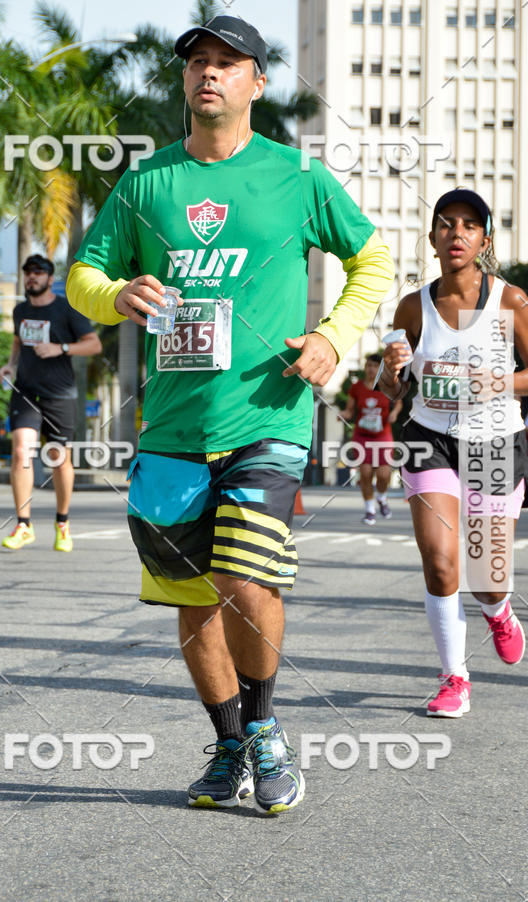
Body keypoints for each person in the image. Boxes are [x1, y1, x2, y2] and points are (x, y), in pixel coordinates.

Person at [67, 14, 394, 813]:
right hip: (173, 428)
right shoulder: (147, 184)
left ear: (256, 82)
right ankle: (227, 743)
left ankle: (267, 729)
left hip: (267, 415)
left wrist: (333, 336)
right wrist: (114, 294)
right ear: (185, 82)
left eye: (227, 63)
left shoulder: (297, 177)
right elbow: (84, 276)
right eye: (197, 63)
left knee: (243, 578)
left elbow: (371, 257)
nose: (208, 74)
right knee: (189, 596)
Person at [380, 188, 527, 717]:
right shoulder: (413, 305)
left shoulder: (510, 301)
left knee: (487, 578)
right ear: (433, 238)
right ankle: (453, 678)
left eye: (469, 225)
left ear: (484, 239)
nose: (457, 233)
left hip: (493, 440)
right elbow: (392, 389)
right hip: (430, 436)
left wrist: (500, 383)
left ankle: (500, 611)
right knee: (441, 564)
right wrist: (392, 367)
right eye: (446, 224)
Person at [0, 254, 102, 552]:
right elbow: (18, 342)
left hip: (60, 393)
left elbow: (93, 344)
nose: (32, 277)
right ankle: (23, 524)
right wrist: (10, 365)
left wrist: (61, 348)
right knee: (21, 452)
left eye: (38, 272)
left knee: (58, 458)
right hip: (26, 392)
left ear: (49, 278)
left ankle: (62, 522)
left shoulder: (66, 309)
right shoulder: (20, 311)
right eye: (27, 272)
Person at [343, 353, 402, 524]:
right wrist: (343, 414)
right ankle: (370, 510)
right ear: (365, 367)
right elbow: (349, 410)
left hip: (383, 436)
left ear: (380, 369)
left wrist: (394, 413)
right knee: (366, 473)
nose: (371, 369)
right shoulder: (356, 388)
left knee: (384, 475)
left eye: (375, 366)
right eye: (369, 365)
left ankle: (382, 498)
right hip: (362, 437)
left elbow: (399, 402)